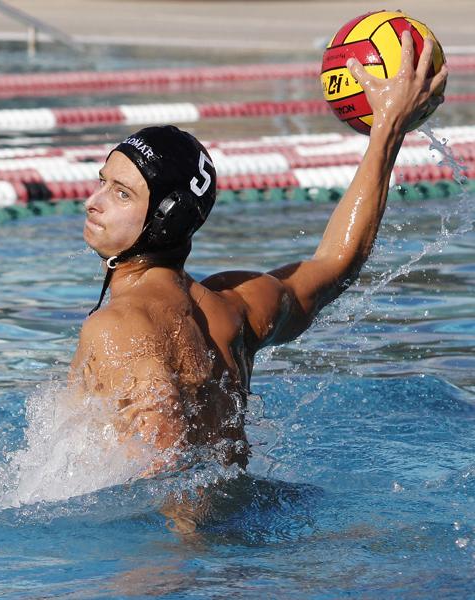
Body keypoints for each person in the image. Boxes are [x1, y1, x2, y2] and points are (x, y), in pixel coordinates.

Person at [68, 32, 448, 475]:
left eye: (121, 193)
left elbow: (165, 472)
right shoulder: (237, 305)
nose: (93, 202)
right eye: (102, 181)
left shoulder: (114, 329)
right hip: (245, 525)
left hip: (183, 541)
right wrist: (387, 131)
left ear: (165, 218)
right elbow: (336, 265)